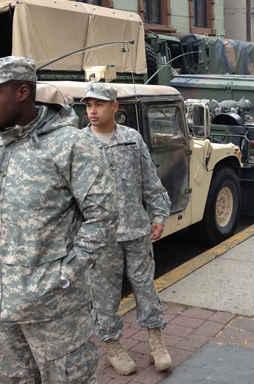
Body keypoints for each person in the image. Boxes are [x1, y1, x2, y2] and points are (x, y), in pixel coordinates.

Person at [0, 57, 118, 383]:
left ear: (23, 92)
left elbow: (103, 216)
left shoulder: (71, 146)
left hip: (54, 313)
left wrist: (67, 272)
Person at [82, 83, 173, 375]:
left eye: (99, 104)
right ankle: (113, 347)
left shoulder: (131, 139)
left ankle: (156, 343)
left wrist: (159, 214)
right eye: (88, 105)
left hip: (135, 230)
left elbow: (149, 179)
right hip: (100, 236)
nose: (92, 111)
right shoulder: (79, 143)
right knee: (105, 295)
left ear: (114, 107)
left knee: (146, 288)